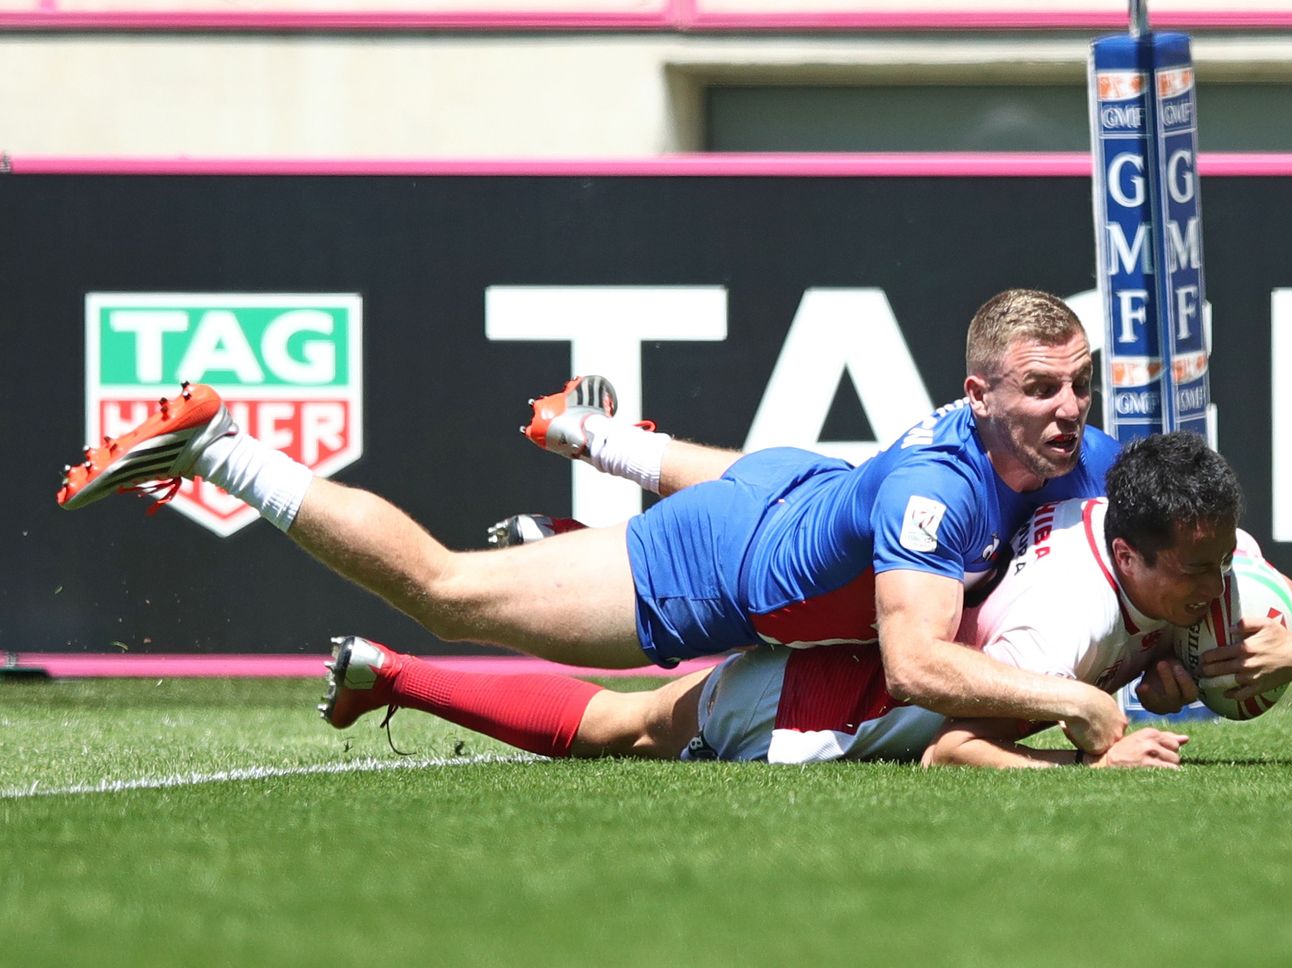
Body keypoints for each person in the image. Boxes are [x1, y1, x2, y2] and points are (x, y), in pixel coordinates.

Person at [57, 289, 1130, 753]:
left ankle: (593, 438)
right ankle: (215, 447)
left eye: (1079, 386)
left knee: (783, 485)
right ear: (977, 392)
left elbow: (1169, 526)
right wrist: (1077, 699)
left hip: (801, 489)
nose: (1068, 410)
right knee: (449, 591)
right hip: (717, 565)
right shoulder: (936, 490)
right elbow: (918, 667)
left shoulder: (1067, 450)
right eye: (1040, 389)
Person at [315, 432, 1292, 769]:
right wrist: (1091, 736)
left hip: (810, 511)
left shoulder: (1172, 519)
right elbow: (948, 737)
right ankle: (392, 663)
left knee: (815, 485)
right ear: (1129, 551)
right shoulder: (1061, 621)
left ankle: (601, 479)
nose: (1221, 584)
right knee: (629, 722)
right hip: (843, 676)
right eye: (1199, 573)